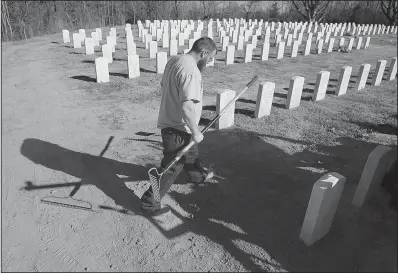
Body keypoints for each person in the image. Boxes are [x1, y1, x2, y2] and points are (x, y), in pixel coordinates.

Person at [140, 37, 218, 214]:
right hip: (178, 127)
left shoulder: (175, 60)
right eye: (211, 58)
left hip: (174, 122)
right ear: (203, 53)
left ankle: (197, 176)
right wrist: (195, 130)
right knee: (170, 168)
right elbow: (187, 105)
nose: (210, 61)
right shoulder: (191, 70)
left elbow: (164, 86)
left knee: (191, 153)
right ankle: (149, 204)